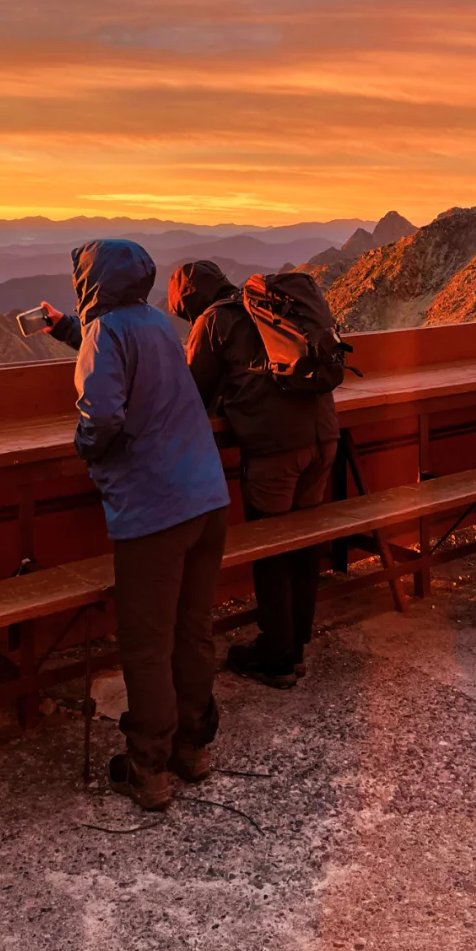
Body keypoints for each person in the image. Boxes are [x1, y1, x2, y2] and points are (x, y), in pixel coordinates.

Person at [41, 240, 229, 811]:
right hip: (207, 498)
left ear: (89, 282)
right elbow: (121, 349)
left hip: (155, 509)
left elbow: (102, 414)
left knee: (147, 643)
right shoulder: (155, 323)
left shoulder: (106, 332)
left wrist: (87, 448)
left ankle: (148, 768)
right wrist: (67, 329)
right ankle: (192, 749)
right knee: (192, 629)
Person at [167, 261, 339, 689]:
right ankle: (296, 645)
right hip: (324, 436)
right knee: (303, 542)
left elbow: (193, 394)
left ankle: (276, 656)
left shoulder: (212, 322)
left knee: (272, 547)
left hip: (276, 450)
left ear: (186, 302)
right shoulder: (266, 307)